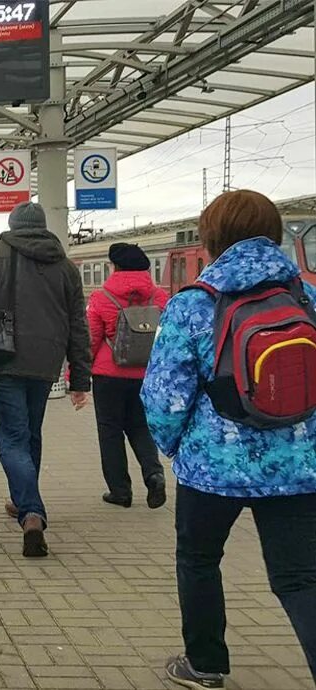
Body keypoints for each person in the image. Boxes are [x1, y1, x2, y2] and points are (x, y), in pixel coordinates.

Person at [141, 190, 316, 689]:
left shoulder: (195, 304)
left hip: (212, 467)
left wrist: (172, 446)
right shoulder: (306, 297)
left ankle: (206, 664)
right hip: (298, 467)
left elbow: (165, 398)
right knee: (301, 578)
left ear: (210, 238)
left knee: (199, 559)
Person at [0, 201, 91, 558]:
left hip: (4, 358)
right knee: (31, 431)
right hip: (46, 362)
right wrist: (80, 378)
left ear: (13, 225)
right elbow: (79, 325)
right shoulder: (64, 266)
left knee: (11, 437)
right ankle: (22, 499)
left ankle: (31, 512)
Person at [86, 242, 168, 510]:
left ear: (115, 267)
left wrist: (77, 373)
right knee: (141, 427)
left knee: (110, 431)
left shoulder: (101, 298)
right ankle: (154, 474)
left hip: (108, 375)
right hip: (146, 374)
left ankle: (120, 491)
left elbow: (92, 340)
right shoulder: (160, 298)